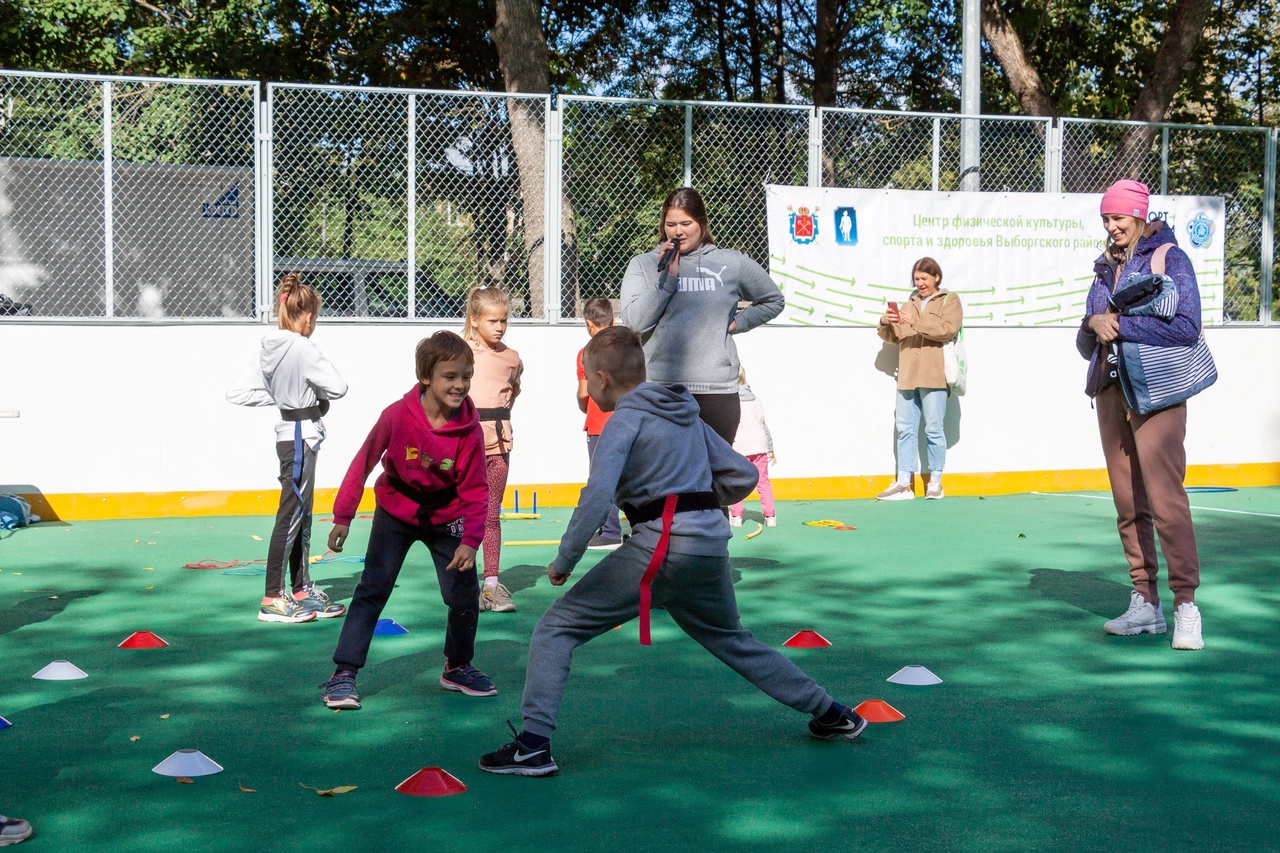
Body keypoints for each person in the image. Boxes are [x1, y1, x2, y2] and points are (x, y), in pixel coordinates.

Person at [477, 327, 866, 777]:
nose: (584, 389)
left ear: (601, 379)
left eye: (585, 379)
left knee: (555, 628)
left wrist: (565, 560)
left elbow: (596, 494)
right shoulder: (686, 415)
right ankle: (833, 712)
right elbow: (741, 473)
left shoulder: (623, 420)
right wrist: (698, 500)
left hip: (661, 547)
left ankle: (532, 746)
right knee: (733, 640)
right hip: (709, 546)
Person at [318, 331, 496, 711]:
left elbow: (477, 488)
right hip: (396, 512)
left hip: (447, 516)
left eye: (467, 375)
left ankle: (458, 666)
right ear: (426, 377)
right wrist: (343, 515)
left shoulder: (469, 429)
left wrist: (471, 539)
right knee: (372, 590)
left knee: (463, 595)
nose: (460, 385)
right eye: (451, 376)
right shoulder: (396, 416)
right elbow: (363, 462)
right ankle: (343, 673)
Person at [1075, 179, 1204, 650]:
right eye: (1107, 219)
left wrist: (1121, 324)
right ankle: (1144, 604)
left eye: (1119, 219)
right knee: (1128, 504)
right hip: (1110, 391)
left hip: (1156, 393)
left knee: (1166, 500)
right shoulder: (1102, 268)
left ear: (1139, 216)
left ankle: (1186, 605)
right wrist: (1092, 323)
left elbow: (1187, 326)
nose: (1112, 228)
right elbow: (1086, 340)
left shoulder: (1169, 258)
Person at [619, 187, 784, 445]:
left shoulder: (730, 263)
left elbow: (774, 300)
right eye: (671, 224)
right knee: (667, 479)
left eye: (686, 223)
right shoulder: (644, 264)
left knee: (712, 480)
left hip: (717, 392)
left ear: (702, 223)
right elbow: (634, 323)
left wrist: (738, 323)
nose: (678, 231)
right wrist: (668, 278)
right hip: (662, 390)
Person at [227, 273, 348, 623]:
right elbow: (338, 387)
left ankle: (299, 588)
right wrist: (301, 397)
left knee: (300, 513)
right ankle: (272, 597)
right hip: (301, 435)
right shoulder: (302, 346)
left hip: (292, 432)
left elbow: (238, 392)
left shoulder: (269, 347)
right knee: (292, 514)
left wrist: (283, 397)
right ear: (307, 315)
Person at [875, 257, 962, 501]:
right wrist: (886, 323)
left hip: (934, 375)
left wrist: (917, 322)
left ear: (936, 277)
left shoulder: (950, 300)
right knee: (904, 429)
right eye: (916, 279)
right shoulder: (908, 303)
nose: (920, 283)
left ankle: (935, 481)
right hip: (907, 375)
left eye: (924, 278)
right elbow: (895, 337)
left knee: (934, 429)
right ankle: (904, 483)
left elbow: (947, 329)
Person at [463, 287, 524, 613]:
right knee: (462, 515)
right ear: (475, 320)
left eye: (504, 320)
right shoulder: (461, 354)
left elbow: (512, 393)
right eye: (492, 321)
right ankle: (464, 582)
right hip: (466, 447)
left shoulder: (512, 358)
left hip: (499, 446)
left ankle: (491, 585)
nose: (499, 326)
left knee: (491, 514)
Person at [577, 296, 624, 549]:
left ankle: (609, 530)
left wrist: (583, 405)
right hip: (625, 420)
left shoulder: (586, 354)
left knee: (600, 478)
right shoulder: (625, 349)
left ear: (588, 324)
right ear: (613, 320)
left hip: (598, 424)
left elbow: (584, 394)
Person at [729, 366, 776, 528]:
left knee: (736, 482)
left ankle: (736, 516)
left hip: (740, 447)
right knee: (763, 482)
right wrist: (770, 448)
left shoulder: (731, 401)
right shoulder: (756, 400)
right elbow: (763, 425)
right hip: (759, 446)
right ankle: (770, 516)